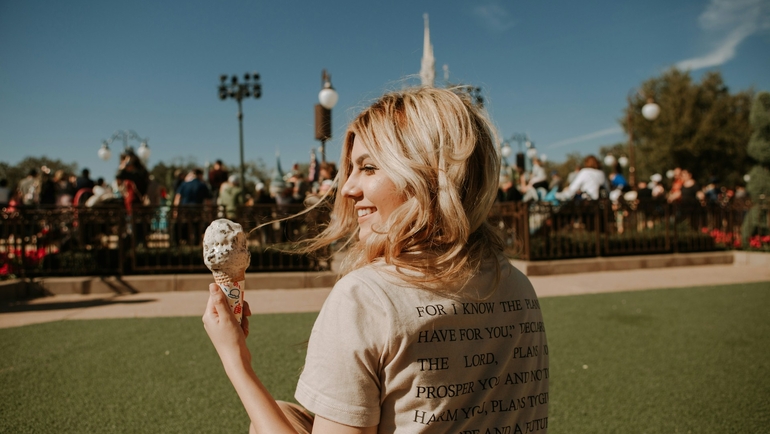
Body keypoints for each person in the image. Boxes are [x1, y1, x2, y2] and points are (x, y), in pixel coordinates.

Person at [203, 87, 549, 433]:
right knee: (284, 413)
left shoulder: (366, 297)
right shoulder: (518, 284)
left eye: (368, 168)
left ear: (428, 175)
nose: (347, 189)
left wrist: (235, 359)